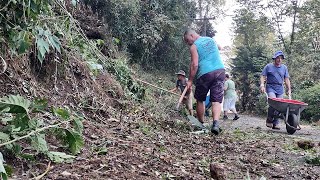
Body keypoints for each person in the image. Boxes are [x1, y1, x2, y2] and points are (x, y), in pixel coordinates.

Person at [183, 29, 225, 135]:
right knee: (216, 100)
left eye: (187, 40)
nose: (188, 43)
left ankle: (201, 124)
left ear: (192, 35)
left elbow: (194, 65)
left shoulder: (194, 46)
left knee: (200, 99)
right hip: (220, 71)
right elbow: (218, 49)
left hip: (205, 74)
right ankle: (215, 124)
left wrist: (190, 80)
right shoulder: (210, 40)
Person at [260, 50, 291, 129]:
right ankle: (269, 119)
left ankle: (276, 123)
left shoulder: (284, 68)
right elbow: (263, 76)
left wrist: (289, 89)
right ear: (274, 58)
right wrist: (262, 85)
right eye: (278, 58)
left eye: (281, 58)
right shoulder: (268, 66)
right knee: (273, 102)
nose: (279, 60)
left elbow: (286, 79)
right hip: (270, 86)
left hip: (280, 87)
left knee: (280, 105)